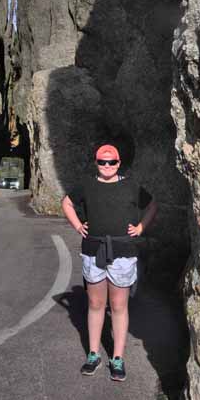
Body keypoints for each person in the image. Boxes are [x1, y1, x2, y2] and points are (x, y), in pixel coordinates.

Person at [61, 144, 158, 381]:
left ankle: (117, 358)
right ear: (96, 162)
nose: (107, 166)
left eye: (111, 162)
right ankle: (93, 354)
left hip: (123, 251)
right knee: (95, 303)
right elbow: (66, 202)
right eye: (102, 162)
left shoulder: (131, 185)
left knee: (118, 305)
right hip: (93, 250)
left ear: (118, 163)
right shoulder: (87, 185)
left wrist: (141, 227)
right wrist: (77, 226)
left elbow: (152, 205)